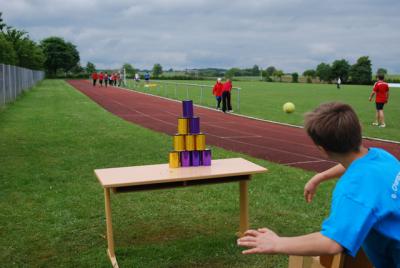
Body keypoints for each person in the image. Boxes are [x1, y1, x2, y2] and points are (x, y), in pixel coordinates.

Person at [237, 102, 400, 268]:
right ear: (358, 129)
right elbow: (356, 164)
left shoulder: (352, 192)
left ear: (322, 150)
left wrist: (277, 243)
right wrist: (321, 176)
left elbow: (332, 242)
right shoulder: (381, 156)